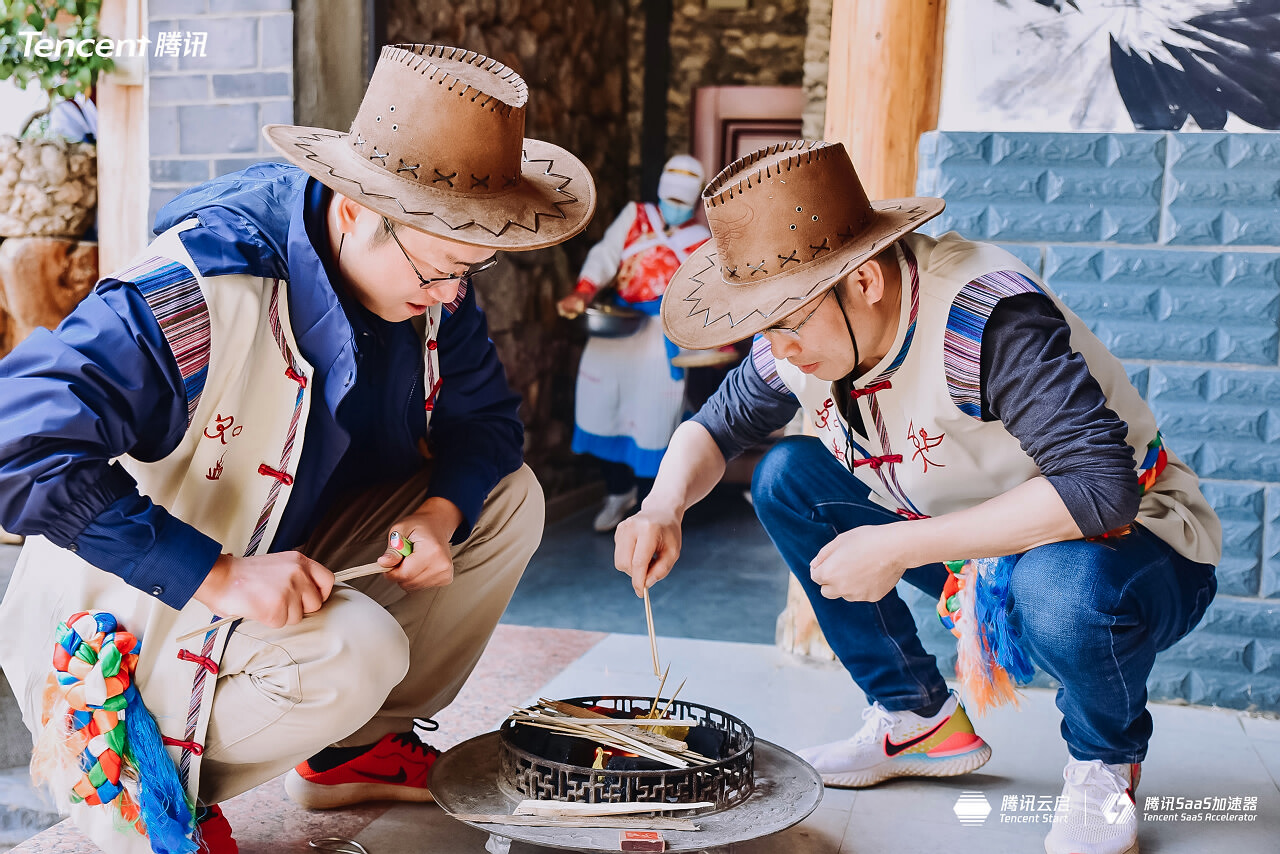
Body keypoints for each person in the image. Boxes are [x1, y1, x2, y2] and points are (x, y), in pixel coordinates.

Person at [0, 44, 594, 854]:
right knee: (358, 650)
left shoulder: (431, 282)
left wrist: (438, 512)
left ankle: (349, 753)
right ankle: (161, 788)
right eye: (441, 270)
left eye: (470, 269)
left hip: (286, 557)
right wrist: (219, 575)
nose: (454, 295)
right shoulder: (195, 288)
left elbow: (486, 421)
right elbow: (18, 443)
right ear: (353, 212)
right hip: (141, 608)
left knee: (504, 500)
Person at [615, 140, 1219, 854]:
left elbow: (1099, 489)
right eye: (763, 327)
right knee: (789, 478)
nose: (778, 349)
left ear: (865, 280)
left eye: (787, 322)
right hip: (973, 555)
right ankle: (915, 719)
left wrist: (898, 546)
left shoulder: (985, 316)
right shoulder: (799, 338)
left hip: (1127, 552)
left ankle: (1104, 764)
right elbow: (715, 427)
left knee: (1057, 586)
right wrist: (662, 506)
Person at [556, 156, 710, 531]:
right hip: (619, 327)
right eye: (671, 200)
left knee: (654, 421)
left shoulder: (703, 241)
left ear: (694, 203)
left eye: (683, 202)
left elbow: (705, 294)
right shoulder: (636, 217)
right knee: (600, 407)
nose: (675, 207)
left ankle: (648, 508)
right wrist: (584, 291)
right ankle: (617, 493)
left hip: (662, 336)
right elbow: (606, 254)